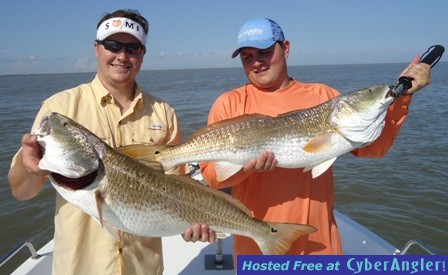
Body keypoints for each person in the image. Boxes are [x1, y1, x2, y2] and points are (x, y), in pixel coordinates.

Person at [198, 18, 431, 261]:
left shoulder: (325, 97)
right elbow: (213, 177)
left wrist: (403, 97)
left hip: (320, 247)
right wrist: (246, 169)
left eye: (265, 52)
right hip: (257, 250)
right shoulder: (229, 104)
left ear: (285, 48)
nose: (257, 63)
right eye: (247, 57)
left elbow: (375, 148)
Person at [8, 9, 214, 275]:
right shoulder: (59, 108)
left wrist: (192, 226)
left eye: (132, 47)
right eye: (112, 45)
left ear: (142, 54)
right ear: (96, 48)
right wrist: (29, 169)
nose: (122, 55)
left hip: (144, 268)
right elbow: (21, 192)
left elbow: (179, 188)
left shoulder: (164, 113)